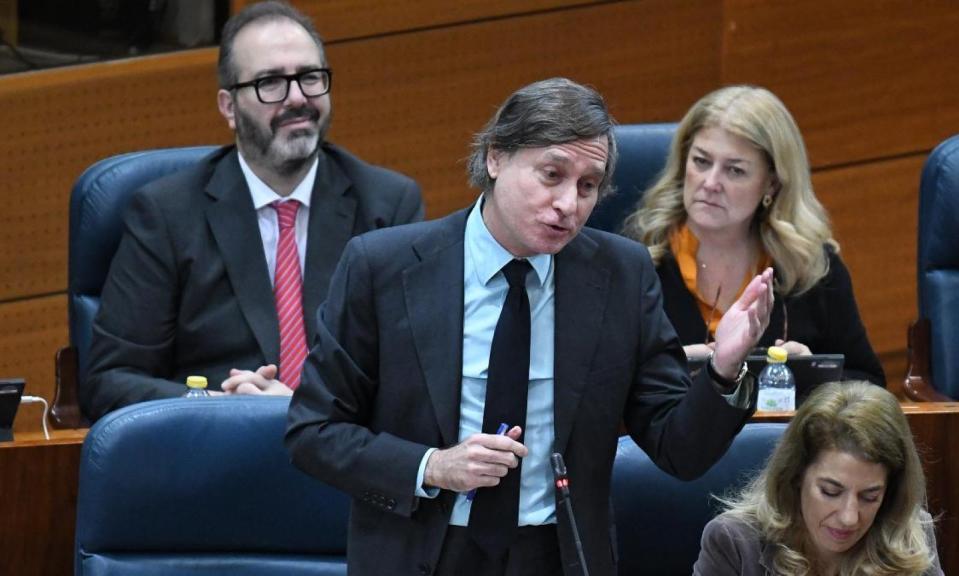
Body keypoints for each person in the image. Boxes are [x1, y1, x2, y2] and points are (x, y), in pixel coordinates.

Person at [286, 77, 774, 576]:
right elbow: (315, 430)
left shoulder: (621, 276)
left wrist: (724, 369)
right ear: (496, 158)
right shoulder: (383, 267)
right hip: (422, 550)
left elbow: (680, 451)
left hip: (554, 556)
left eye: (588, 186)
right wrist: (432, 466)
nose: (569, 204)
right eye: (551, 174)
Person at [81, 1, 424, 421]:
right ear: (229, 106)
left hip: (344, 463)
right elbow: (109, 381)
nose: (298, 98)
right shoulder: (166, 215)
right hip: (212, 461)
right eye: (271, 83)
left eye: (310, 78)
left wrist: (300, 408)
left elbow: (416, 376)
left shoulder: (387, 206)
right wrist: (225, 408)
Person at [623, 85, 884, 386]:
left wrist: (814, 375)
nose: (710, 183)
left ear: (771, 184)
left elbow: (870, 384)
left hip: (781, 434)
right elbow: (598, 388)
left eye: (734, 171)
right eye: (701, 161)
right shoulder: (637, 261)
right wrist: (666, 367)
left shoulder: (810, 266)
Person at [693, 381, 943, 575]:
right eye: (830, 492)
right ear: (796, 476)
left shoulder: (908, 535)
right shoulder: (733, 542)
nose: (849, 517)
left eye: (870, 496)